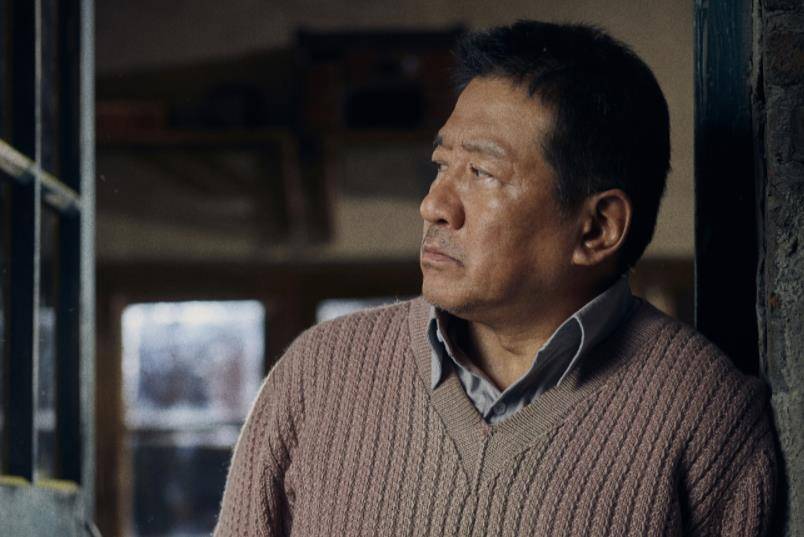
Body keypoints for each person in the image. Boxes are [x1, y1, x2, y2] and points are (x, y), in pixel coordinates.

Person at [214, 21, 777, 536]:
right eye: (441, 165)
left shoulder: (705, 414)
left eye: (482, 173)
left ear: (598, 229)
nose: (434, 205)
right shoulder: (319, 375)